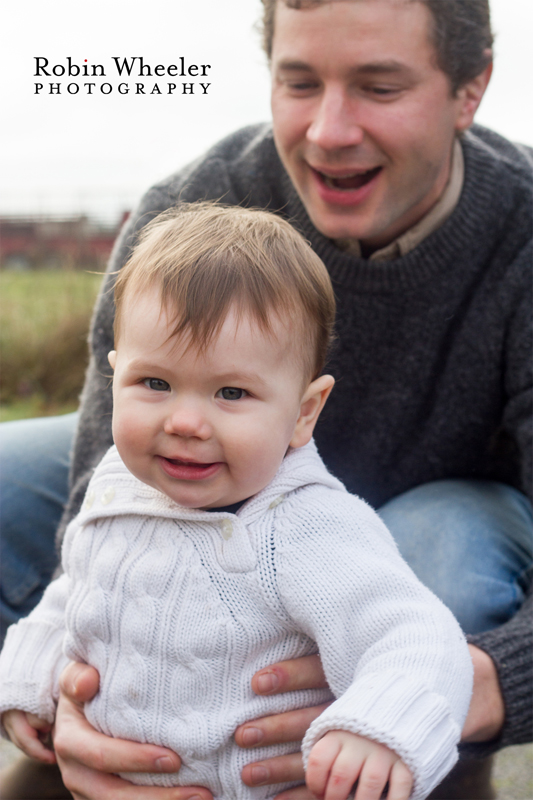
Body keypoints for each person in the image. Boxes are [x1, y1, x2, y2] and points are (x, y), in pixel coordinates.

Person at [0, 0, 531, 798]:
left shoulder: (522, 234)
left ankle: (388, 772)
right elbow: (101, 510)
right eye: (299, 82)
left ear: (470, 88)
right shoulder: (193, 207)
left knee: (435, 565)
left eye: (378, 87)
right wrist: (74, 702)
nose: (327, 131)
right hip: (211, 457)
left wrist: (484, 683)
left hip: (441, 505)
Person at [0, 203, 473, 800]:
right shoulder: (120, 483)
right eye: (155, 383)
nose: (186, 421)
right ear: (115, 377)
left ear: (303, 412)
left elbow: (416, 635)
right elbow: (83, 587)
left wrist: (379, 729)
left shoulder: (305, 530)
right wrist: (29, 675)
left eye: (231, 392)